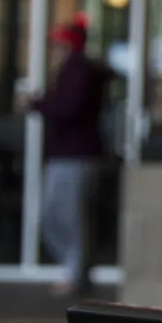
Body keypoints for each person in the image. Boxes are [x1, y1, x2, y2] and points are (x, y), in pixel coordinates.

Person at [30, 15, 108, 297]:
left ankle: (75, 273)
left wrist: (36, 103)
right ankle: (74, 268)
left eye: (58, 47)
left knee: (68, 216)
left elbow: (68, 109)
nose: (54, 53)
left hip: (76, 155)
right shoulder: (71, 72)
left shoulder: (79, 71)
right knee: (54, 215)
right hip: (66, 154)